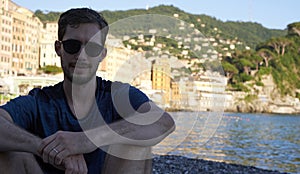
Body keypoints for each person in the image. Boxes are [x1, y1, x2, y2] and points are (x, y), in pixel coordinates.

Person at [0, 8, 175, 174]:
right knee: (9, 150)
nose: (82, 55)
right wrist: (47, 149)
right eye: (72, 45)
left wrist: (85, 140)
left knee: (134, 146)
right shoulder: (39, 102)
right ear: (58, 48)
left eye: (92, 48)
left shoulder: (119, 95)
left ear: (102, 54)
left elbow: (163, 122)